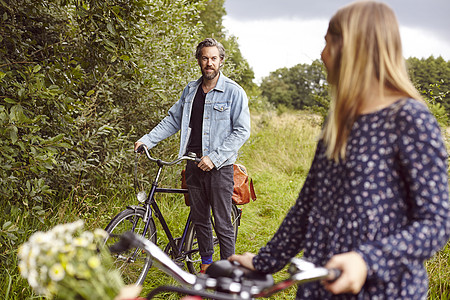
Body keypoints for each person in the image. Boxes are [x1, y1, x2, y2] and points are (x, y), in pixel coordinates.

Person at [229, 1, 449, 299]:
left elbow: (435, 224)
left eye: (327, 43)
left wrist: (366, 260)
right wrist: (264, 262)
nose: (321, 55)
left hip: (383, 292)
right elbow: (306, 207)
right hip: (319, 288)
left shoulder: (409, 119)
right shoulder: (338, 122)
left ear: (352, 48)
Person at [135, 38, 251, 273]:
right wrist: (147, 140)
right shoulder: (190, 90)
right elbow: (172, 121)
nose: (209, 63)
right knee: (200, 219)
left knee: (221, 223)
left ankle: (229, 274)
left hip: (219, 168)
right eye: (205, 58)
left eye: (214, 58)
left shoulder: (233, 92)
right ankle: (206, 265)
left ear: (221, 61)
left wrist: (215, 157)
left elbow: (242, 131)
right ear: (199, 60)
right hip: (192, 164)